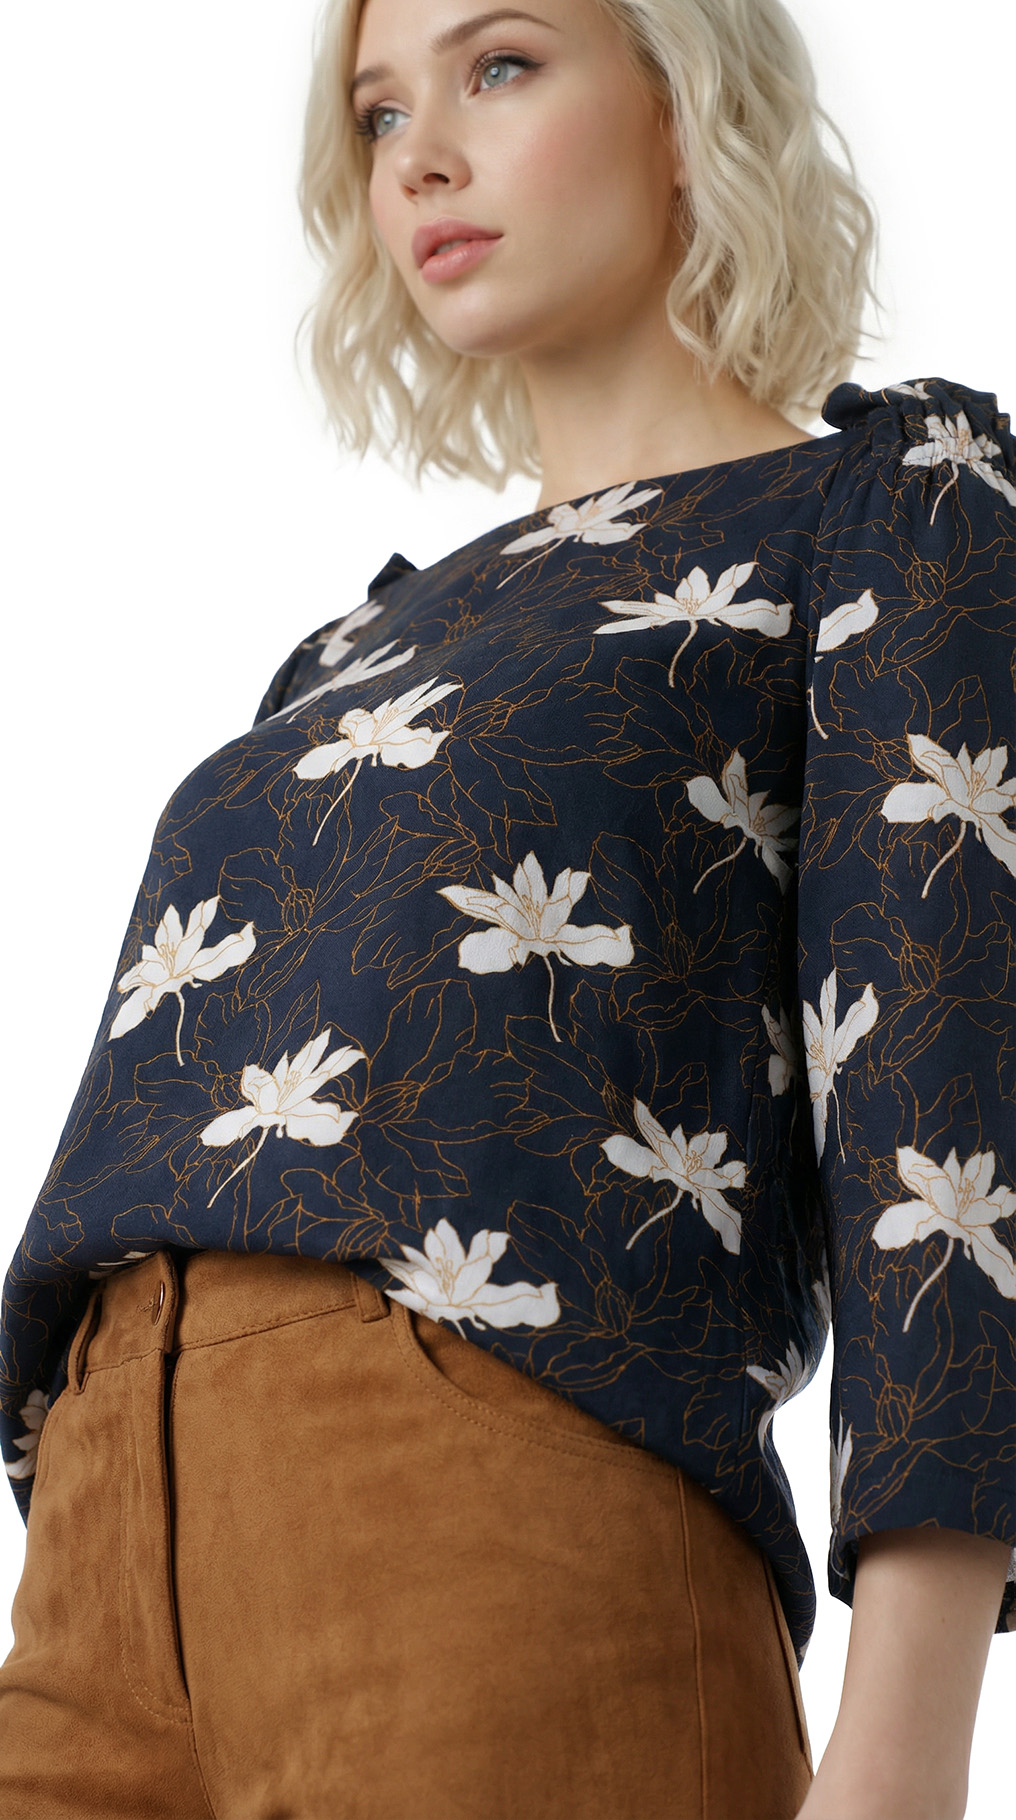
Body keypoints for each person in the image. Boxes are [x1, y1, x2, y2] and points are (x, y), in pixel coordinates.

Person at [1, 0, 1013, 1814]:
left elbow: (948, 1121)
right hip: (100, 1556)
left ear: (690, 110)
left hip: (502, 1513)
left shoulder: (877, 509)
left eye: (501, 66)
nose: (422, 159)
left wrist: (905, 1750)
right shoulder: (349, 651)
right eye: (380, 114)